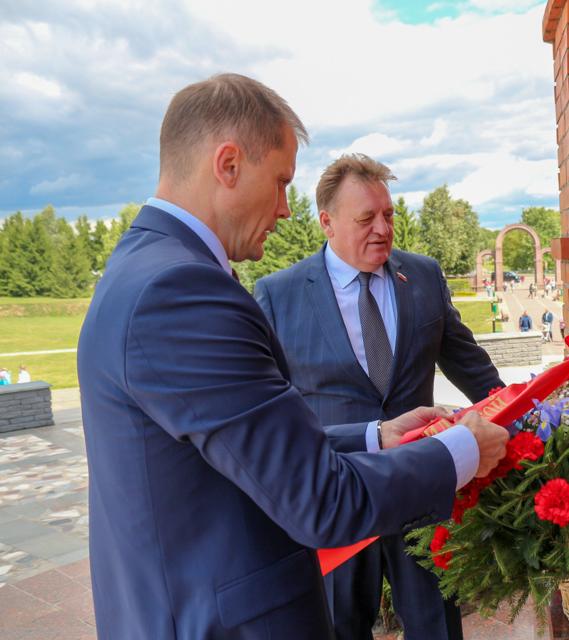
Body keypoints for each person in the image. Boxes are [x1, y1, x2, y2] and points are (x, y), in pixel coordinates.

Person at [76, 73, 508, 640]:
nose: (285, 209)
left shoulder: (145, 265)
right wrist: (460, 451)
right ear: (227, 164)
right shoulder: (182, 291)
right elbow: (318, 500)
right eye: (280, 181)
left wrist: (376, 435)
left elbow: (241, 442)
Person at [254, 154, 505, 640]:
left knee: (438, 626)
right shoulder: (278, 295)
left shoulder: (425, 277)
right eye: (365, 218)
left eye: (387, 215)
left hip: (423, 493)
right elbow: (271, 411)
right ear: (326, 222)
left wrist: (525, 419)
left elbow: (476, 370)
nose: (383, 229)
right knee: (339, 629)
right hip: (339, 498)